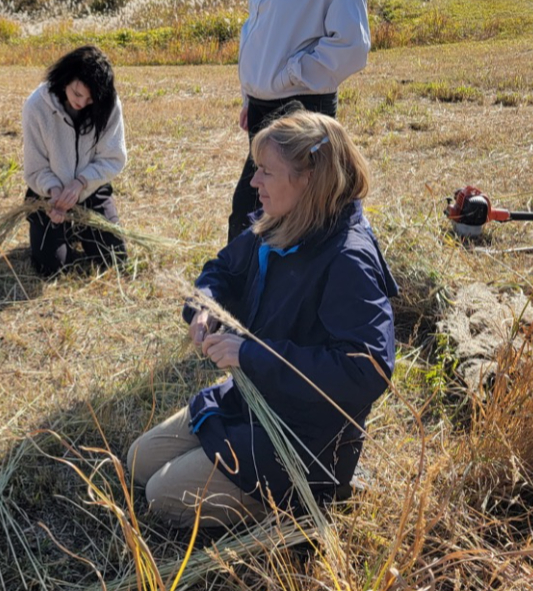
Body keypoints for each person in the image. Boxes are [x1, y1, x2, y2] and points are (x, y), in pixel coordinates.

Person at [127, 111, 396, 528]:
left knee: (161, 496)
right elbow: (222, 270)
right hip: (254, 400)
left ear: (308, 178)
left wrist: (251, 355)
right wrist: (205, 305)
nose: (254, 182)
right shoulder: (280, 225)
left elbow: (367, 369)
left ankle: (311, 497)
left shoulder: (348, 259)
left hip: (302, 440)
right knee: (139, 461)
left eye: (266, 171)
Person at [228, 0, 370, 243]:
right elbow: (265, 33)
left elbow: (351, 46)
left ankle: (265, 281)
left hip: (300, 108)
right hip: (267, 108)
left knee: (265, 214)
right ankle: (261, 280)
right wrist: (252, 93)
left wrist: (289, 77)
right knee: (264, 213)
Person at [22, 45, 128, 277]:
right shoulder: (36, 107)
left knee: (114, 258)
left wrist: (81, 183)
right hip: (47, 195)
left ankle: (81, 228)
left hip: (90, 189)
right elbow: (35, 167)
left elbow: (112, 157)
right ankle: (60, 232)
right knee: (52, 268)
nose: (82, 103)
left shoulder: (108, 105)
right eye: (78, 94)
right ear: (65, 80)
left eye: (91, 99)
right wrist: (54, 191)